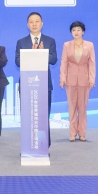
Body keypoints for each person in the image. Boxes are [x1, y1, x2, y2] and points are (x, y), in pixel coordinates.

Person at [15, 12, 58, 147]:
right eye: (31, 22)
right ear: (27, 25)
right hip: (27, 85)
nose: (34, 24)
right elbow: (18, 61)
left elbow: (54, 59)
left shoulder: (50, 41)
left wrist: (41, 53)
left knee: (43, 116)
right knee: (28, 117)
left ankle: (43, 146)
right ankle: (28, 146)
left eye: (37, 21)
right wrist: (32, 54)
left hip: (44, 85)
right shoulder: (21, 42)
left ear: (42, 24)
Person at [59, 21, 96, 142]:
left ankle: (82, 132)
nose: (76, 32)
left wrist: (92, 78)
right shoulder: (66, 45)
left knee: (82, 108)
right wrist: (62, 78)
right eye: (74, 30)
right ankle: (72, 133)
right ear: (71, 32)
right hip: (70, 80)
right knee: (72, 107)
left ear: (83, 32)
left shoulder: (89, 45)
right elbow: (64, 62)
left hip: (85, 80)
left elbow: (92, 63)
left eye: (79, 30)